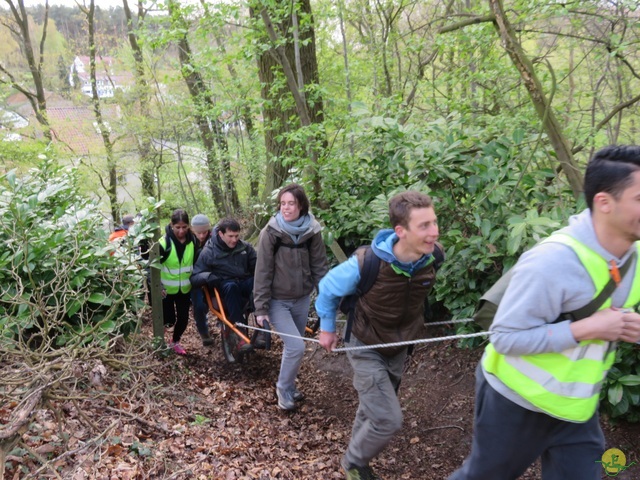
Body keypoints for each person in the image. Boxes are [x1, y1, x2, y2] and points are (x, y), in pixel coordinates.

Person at [448, 145, 640, 480]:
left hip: (577, 408)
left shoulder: (635, 257)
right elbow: (504, 337)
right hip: (517, 403)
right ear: (604, 203)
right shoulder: (552, 261)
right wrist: (587, 329)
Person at [315, 191, 442, 480]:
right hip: (364, 343)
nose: (434, 232)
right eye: (424, 226)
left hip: (399, 346)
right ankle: (353, 463)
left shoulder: (433, 257)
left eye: (434, 222)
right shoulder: (366, 263)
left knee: (373, 408)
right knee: (388, 418)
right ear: (401, 231)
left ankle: (357, 466)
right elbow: (328, 288)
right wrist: (327, 328)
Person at [254, 183, 328, 411]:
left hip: (302, 298)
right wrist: (261, 308)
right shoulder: (271, 232)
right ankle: (283, 389)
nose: (286, 208)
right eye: (283, 204)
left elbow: (319, 267)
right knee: (296, 347)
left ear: (301, 205)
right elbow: (263, 270)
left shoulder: (312, 231)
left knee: (294, 346)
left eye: (291, 203)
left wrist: (328, 301)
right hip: (278, 301)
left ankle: (289, 385)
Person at [191, 218, 257, 352]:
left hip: (242, 282)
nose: (234, 240)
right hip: (224, 286)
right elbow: (194, 277)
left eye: (237, 236)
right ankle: (240, 334)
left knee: (257, 282)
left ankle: (261, 327)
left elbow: (258, 267)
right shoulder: (209, 251)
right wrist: (208, 276)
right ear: (221, 234)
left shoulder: (245, 247)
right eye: (230, 236)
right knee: (231, 286)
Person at [159, 209, 196, 356]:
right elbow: (152, 267)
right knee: (168, 320)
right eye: (178, 227)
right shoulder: (164, 243)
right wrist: (158, 286)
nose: (181, 231)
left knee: (183, 318)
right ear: (171, 225)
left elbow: (197, 261)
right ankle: (159, 342)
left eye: (184, 227)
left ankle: (174, 341)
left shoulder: (193, 241)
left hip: (185, 289)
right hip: (166, 290)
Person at [190, 214, 214, 346]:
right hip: (195, 278)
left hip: (210, 276)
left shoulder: (214, 239)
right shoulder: (188, 241)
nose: (201, 236)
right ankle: (204, 332)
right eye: (198, 233)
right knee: (199, 305)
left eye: (204, 232)